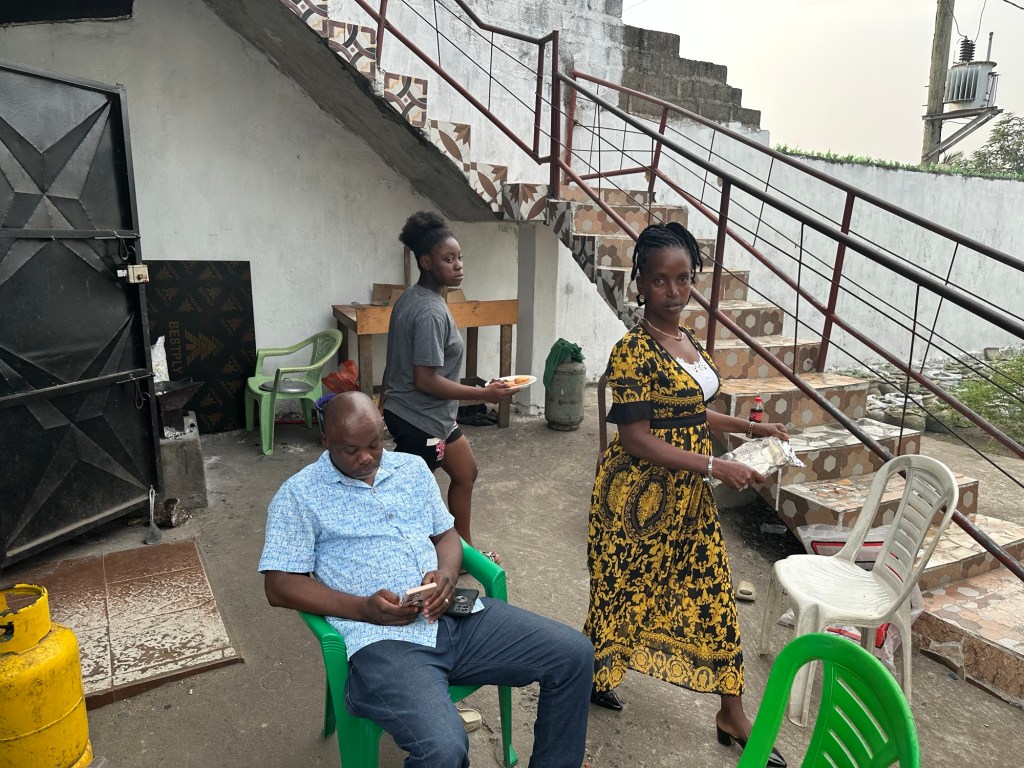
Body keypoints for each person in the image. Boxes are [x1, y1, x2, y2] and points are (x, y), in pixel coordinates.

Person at [259, 391, 593, 768]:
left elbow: (446, 534)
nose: (366, 457)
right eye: (351, 450)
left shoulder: (412, 469)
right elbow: (279, 584)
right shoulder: (299, 495)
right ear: (326, 441)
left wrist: (447, 575)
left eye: (374, 445)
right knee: (443, 749)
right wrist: (363, 609)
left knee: (573, 655)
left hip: (453, 615)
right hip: (382, 643)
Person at [584, 222, 789, 768]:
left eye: (683, 279)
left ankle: (731, 713)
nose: (674, 292)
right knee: (620, 592)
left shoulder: (688, 341)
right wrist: (717, 464)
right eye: (660, 281)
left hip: (687, 501)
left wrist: (751, 429)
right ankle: (595, 674)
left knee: (715, 594)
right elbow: (636, 437)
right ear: (640, 284)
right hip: (634, 503)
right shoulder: (631, 351)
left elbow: (692, 412)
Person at [379, 211, 513, 564]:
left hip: (432, 415)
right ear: (426, 262)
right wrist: (485, 394)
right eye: (448, 259)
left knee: (465, 472)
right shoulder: (429, 312)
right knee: (410, 500)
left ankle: (464, 554)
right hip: (417, 419)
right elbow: (425, 380)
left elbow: (409, 366)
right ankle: (413, 563)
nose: (458, 265)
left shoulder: (415, 297)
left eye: (459, 257)